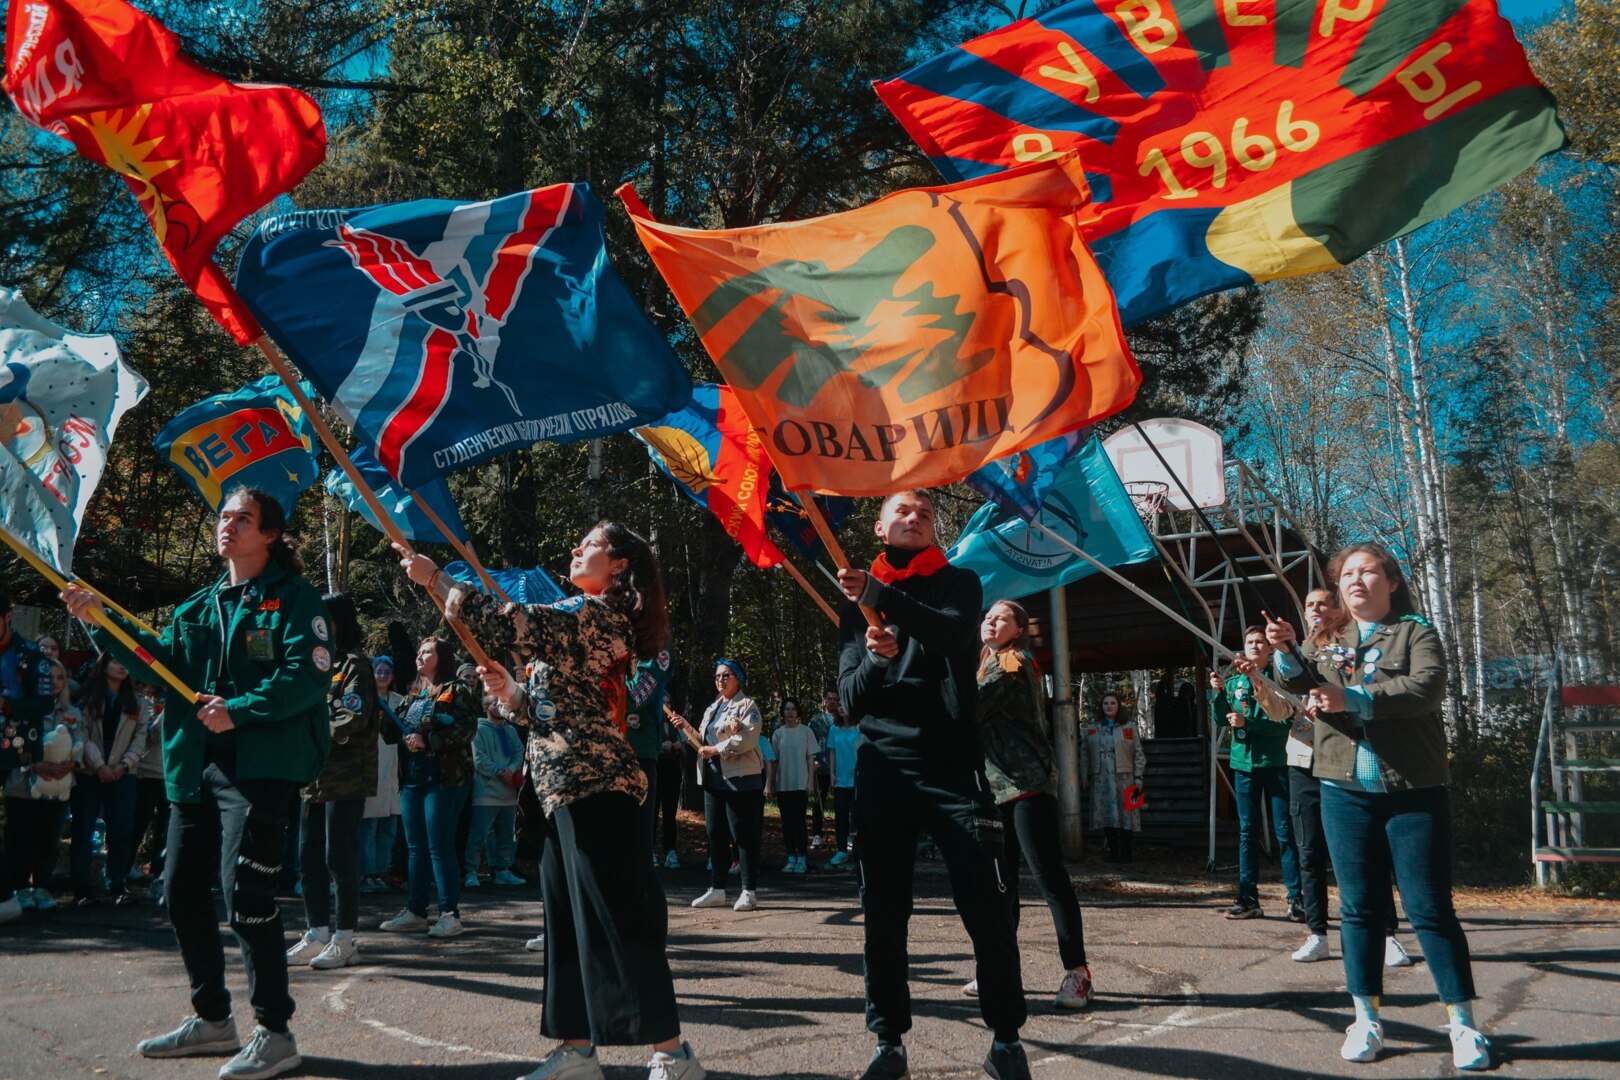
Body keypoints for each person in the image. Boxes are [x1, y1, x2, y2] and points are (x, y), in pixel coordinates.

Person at [400, 522, 705, 1080]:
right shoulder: (581, 616)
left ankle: (672, 1052)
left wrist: (436, 579)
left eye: (590, 544)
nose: (575, 549)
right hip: (559, 786)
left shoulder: (598, 614)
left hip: (597, 786)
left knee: (616, 917)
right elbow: (557, 708)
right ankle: (577, 1049)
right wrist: (513, 695)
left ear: (619, 564)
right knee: (565, 921)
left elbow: (506, 621)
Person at [62, 486, 332, 1078]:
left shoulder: (295, 598)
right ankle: (213, 1020)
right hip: (195, 766)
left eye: (243, 518)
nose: (227, 525)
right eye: (224, 516)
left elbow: (307, 678)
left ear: (270, 535)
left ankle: (275, 1032)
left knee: (247, 899)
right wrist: (98, 621)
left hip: (260, 769)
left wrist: (240, 709)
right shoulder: (196, 607)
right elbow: (158, 663)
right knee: (180, 892)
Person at [1269, 542, 1491, 1071]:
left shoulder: (1415, 631)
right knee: (1360, 909)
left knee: (1429, 909)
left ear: (1391, 582)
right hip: (1343, 791)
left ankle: (1463, 1024)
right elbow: (1301, 683)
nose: (1355, 580)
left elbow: (1426, 687)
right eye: (1347, 574)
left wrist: (1357, 699)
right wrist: (1286, 651)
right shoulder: (1328, 638)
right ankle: (1365, 1018)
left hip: (1414, 790)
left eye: (1368, 571)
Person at [835, 489, 1030, 1080]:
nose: (915, 518)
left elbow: (950, 635)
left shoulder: (958, 583)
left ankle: (1005, 1040)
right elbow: (849, 703)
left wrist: (881, 597)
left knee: (987, 907)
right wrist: (875, 660)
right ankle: (888, 1042)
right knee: (883, 913)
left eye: (924, 513)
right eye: (902, 511)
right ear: (879, 527)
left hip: (952, 767)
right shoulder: (857, 602)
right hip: (883, 768)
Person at [973, 601, 1091, 1010]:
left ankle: (1078, 974)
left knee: (1048, 877)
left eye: (1001, 618)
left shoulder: (1012, 663)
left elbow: (969, 708)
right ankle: (1000, 969)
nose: (990, 621)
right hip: (995, 790)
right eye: (988, 616)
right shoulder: (987, 664)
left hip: (1027, 786)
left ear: (1019, 629)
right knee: (1000, 884)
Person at [286, 594, 377, 971]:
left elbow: (353, 717)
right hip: (313, 776)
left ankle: (345, 938)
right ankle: (317, 933)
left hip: (346, 776)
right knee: (308, 858)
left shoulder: (354, 664)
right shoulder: (314, 661)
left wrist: (313, 730)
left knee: (338, 857)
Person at [380, 636, 477, 938]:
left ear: (442, 657)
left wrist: (429, 740)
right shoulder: (413, 692)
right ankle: (416, 911)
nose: (420, 656)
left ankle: (450, 914)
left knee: (439, 845)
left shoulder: (457, 689)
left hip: (444, 778)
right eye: (419, 651)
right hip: (412, 778)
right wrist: (378, 704)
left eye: (427, 652)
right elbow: (390, 733)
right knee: (415, 847)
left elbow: (467, 729)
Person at [1209, 627, 1301, 920]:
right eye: (1249, 642)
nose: (1254, 646)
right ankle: (1248, 898)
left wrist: (1247, 723)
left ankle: (1296, 898)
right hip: (1244, 765)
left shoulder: (1279, 681)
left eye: (1260, 641)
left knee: (1284, 831)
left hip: (1276, 762)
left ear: (1270, 649)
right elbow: (1219, 717)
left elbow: (1283, 724)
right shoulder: (1235, 682)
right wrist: (1218, 692)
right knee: (1247, 832)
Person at [672, 659, 764, 912]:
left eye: (726, 675)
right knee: (715, 833)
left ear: (738, 678)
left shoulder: (747, 706)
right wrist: (685, 728)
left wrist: (715, 749)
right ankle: (717, 889)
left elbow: (747, 740)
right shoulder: (713, 708)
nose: (720, 680)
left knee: (742, 835)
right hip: (714, 779)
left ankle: (749, 891)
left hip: (740, 779)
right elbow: (702, 743)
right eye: (717, 676)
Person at [5, 657, 81, 911]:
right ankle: (20, 889)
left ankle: (42, 887)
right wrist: (34, 765)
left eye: (60, 677)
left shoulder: (72, 712)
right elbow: (12, 741)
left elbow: (81, 741)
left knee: (49, 839)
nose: (55, 682)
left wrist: (72, 763)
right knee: (20, 840)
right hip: (22, 785)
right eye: (48, 678)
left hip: (57, 786)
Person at [73, 654, 148, 905]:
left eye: (125, 662)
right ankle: (81, 888)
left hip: (123, 773)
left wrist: (124, 765)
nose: (122, 666)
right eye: (116, 661)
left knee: (122, 829)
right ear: (104, 666)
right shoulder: (87, 698)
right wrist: (100, 765)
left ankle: (117, 883)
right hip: (90, 771)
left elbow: (140, 737)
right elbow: (80, 734)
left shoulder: (138, 701)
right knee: (83, 829)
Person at [0, 590, 53, 926]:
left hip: (18, 749)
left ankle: (13, 892)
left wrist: (8, 705)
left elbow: (45, 703)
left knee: (19, 825)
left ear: (8, 617)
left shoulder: (32, 655)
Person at [465, 692, 525, 888]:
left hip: (509, 794)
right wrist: (500, 772)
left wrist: (512, 770)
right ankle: (471, 871)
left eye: (501, 703)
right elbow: (479, 759)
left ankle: (503, 870)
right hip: (486, 793)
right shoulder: (478, 729)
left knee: (507, 835)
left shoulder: (511, 730)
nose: (499, 707)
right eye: (494, 704)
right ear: (485, 708)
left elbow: (519, 752)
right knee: (478, 835)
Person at [1080, 693, 1146, 864]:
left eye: (1112, 703)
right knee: (1106, 812)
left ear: (1119, 706)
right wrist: (1084, 775)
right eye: (1105, 703)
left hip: (1127, 776)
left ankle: (1127, 853)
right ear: (1101, 707)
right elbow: (1084, 754)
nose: (1109, 706)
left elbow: (1139, 753)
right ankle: (1113, 852)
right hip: (1101, 777)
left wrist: (1139, 776)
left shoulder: (1130, 727)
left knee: (1128, 813)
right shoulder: (1091, 728)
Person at [625, 644, 675, 868]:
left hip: (640, 756)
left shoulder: (658, 647)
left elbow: (635, 697)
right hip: (608, 754)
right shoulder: (616, 640)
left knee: (639, 839)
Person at [360, 655, 404, 893]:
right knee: (369, 827)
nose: (383, 675)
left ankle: (380, 872)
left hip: (395, 772)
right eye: (379, 671)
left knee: (389, 828)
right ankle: (366, 874)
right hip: (372, 768)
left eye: (387, 671)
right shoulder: (364, 700)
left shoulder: (400, 701)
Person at [129, 681, 170, 903]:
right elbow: (151, 736)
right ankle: (125, 866)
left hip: (169, 773)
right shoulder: (144, 701)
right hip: (146, 771)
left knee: (166, 827)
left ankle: (160, 872)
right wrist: (167, 713)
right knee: (138, 822)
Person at [770, 698, 818, 874]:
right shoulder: (778, 734)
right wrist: (771, 783)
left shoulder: (806, 731)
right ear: (782, 712)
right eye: (787, 709)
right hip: (783, 785)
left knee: (799, 822)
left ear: (798, 712)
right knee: (787, 823)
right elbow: (773, 761)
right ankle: (791, 857)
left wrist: (810, 782)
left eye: (793, 709)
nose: (790, 712)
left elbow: (810, 758)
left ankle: (802, 858)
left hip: (800, 784)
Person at [824, 708, 865, 868]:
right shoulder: (834, 729)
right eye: (839, 705)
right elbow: (832, 753)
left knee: (858, 817)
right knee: (841, 816)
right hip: (840, 781)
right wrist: (832, 774)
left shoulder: (859, 728)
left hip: (857, 780)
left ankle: (859, 851)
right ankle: (841, 851)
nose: (841, 708)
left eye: (844, 704)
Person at [656, 705, 687, 870]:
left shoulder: (676, 726)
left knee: (670, 813)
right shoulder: (652, 724)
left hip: (673, 772)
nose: (666, 708)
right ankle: (650, 851)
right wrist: (660, 748)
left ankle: (670, 851)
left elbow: (685, 754)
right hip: (656, 770)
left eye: (668, 704)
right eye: (663, 704)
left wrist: (679, 747)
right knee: (652, 812)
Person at [807, 689, 838, 849]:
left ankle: (844, 835)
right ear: (823, 701)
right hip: (821, 766)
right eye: (829, 698)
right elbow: (809, 742)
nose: (832, 701)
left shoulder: (842, 719)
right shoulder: (816, 721)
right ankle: (817, 835)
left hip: (840, 769)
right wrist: (813, 761)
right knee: (818, 802)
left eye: (835, 699)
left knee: (842, 804)